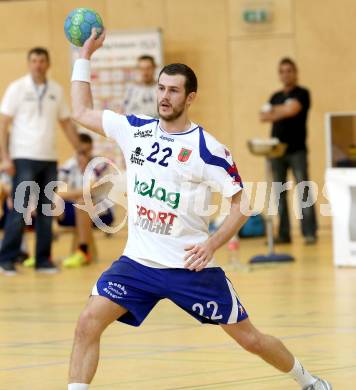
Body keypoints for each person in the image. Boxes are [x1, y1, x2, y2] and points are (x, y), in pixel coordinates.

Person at [67, 30, 331, 390]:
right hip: (138, 264)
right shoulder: (135, 130)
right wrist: (85, 55)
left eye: (173, 90)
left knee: (249, 339)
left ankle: (308, 380)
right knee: (87, 323)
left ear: (190, 98)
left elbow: (242, 204)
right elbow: (80, 110)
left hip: (189, 267)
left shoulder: (209, 149)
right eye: (161, 88)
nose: (164, 96)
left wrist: (211, 244)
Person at [0, 47, 81, 275]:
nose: (38, 64)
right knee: (20, 209)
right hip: (23, 156)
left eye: (42, 60)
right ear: (29, 64)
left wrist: (79, 149)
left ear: (48, 64)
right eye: (34, 60)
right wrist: (5, 157)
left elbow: (66, 123)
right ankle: (6, 259)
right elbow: (3, 123)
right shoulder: (17, 88)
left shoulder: (56, 90)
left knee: (47, 210)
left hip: (49, 159)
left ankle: (43, 260)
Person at [260, 57, 317, 245]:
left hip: (297, 150)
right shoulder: (275, 96)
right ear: (279, 74)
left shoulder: (303, 93)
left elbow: (292, 111)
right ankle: (284, 234)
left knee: (303, 191)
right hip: (276, 151)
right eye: (282, 71)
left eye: (289, 71)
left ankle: (309, 232)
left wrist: (277, 111)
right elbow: (264, 116)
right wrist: (282, 109)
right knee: (280, 193)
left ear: (295, 72)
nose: (286, 74)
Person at [57, 133, 114, 268]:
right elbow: (56, 191)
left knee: (83, 202)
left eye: (86, 151)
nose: (83, 155)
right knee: (51, 203)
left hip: (102, 214)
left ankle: (83, 251)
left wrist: (67, 194)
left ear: (91, 149)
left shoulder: (100, 165)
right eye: (80, 151)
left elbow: (88, 190)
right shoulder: (69, 165)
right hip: (75, 209)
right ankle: (43, 253)